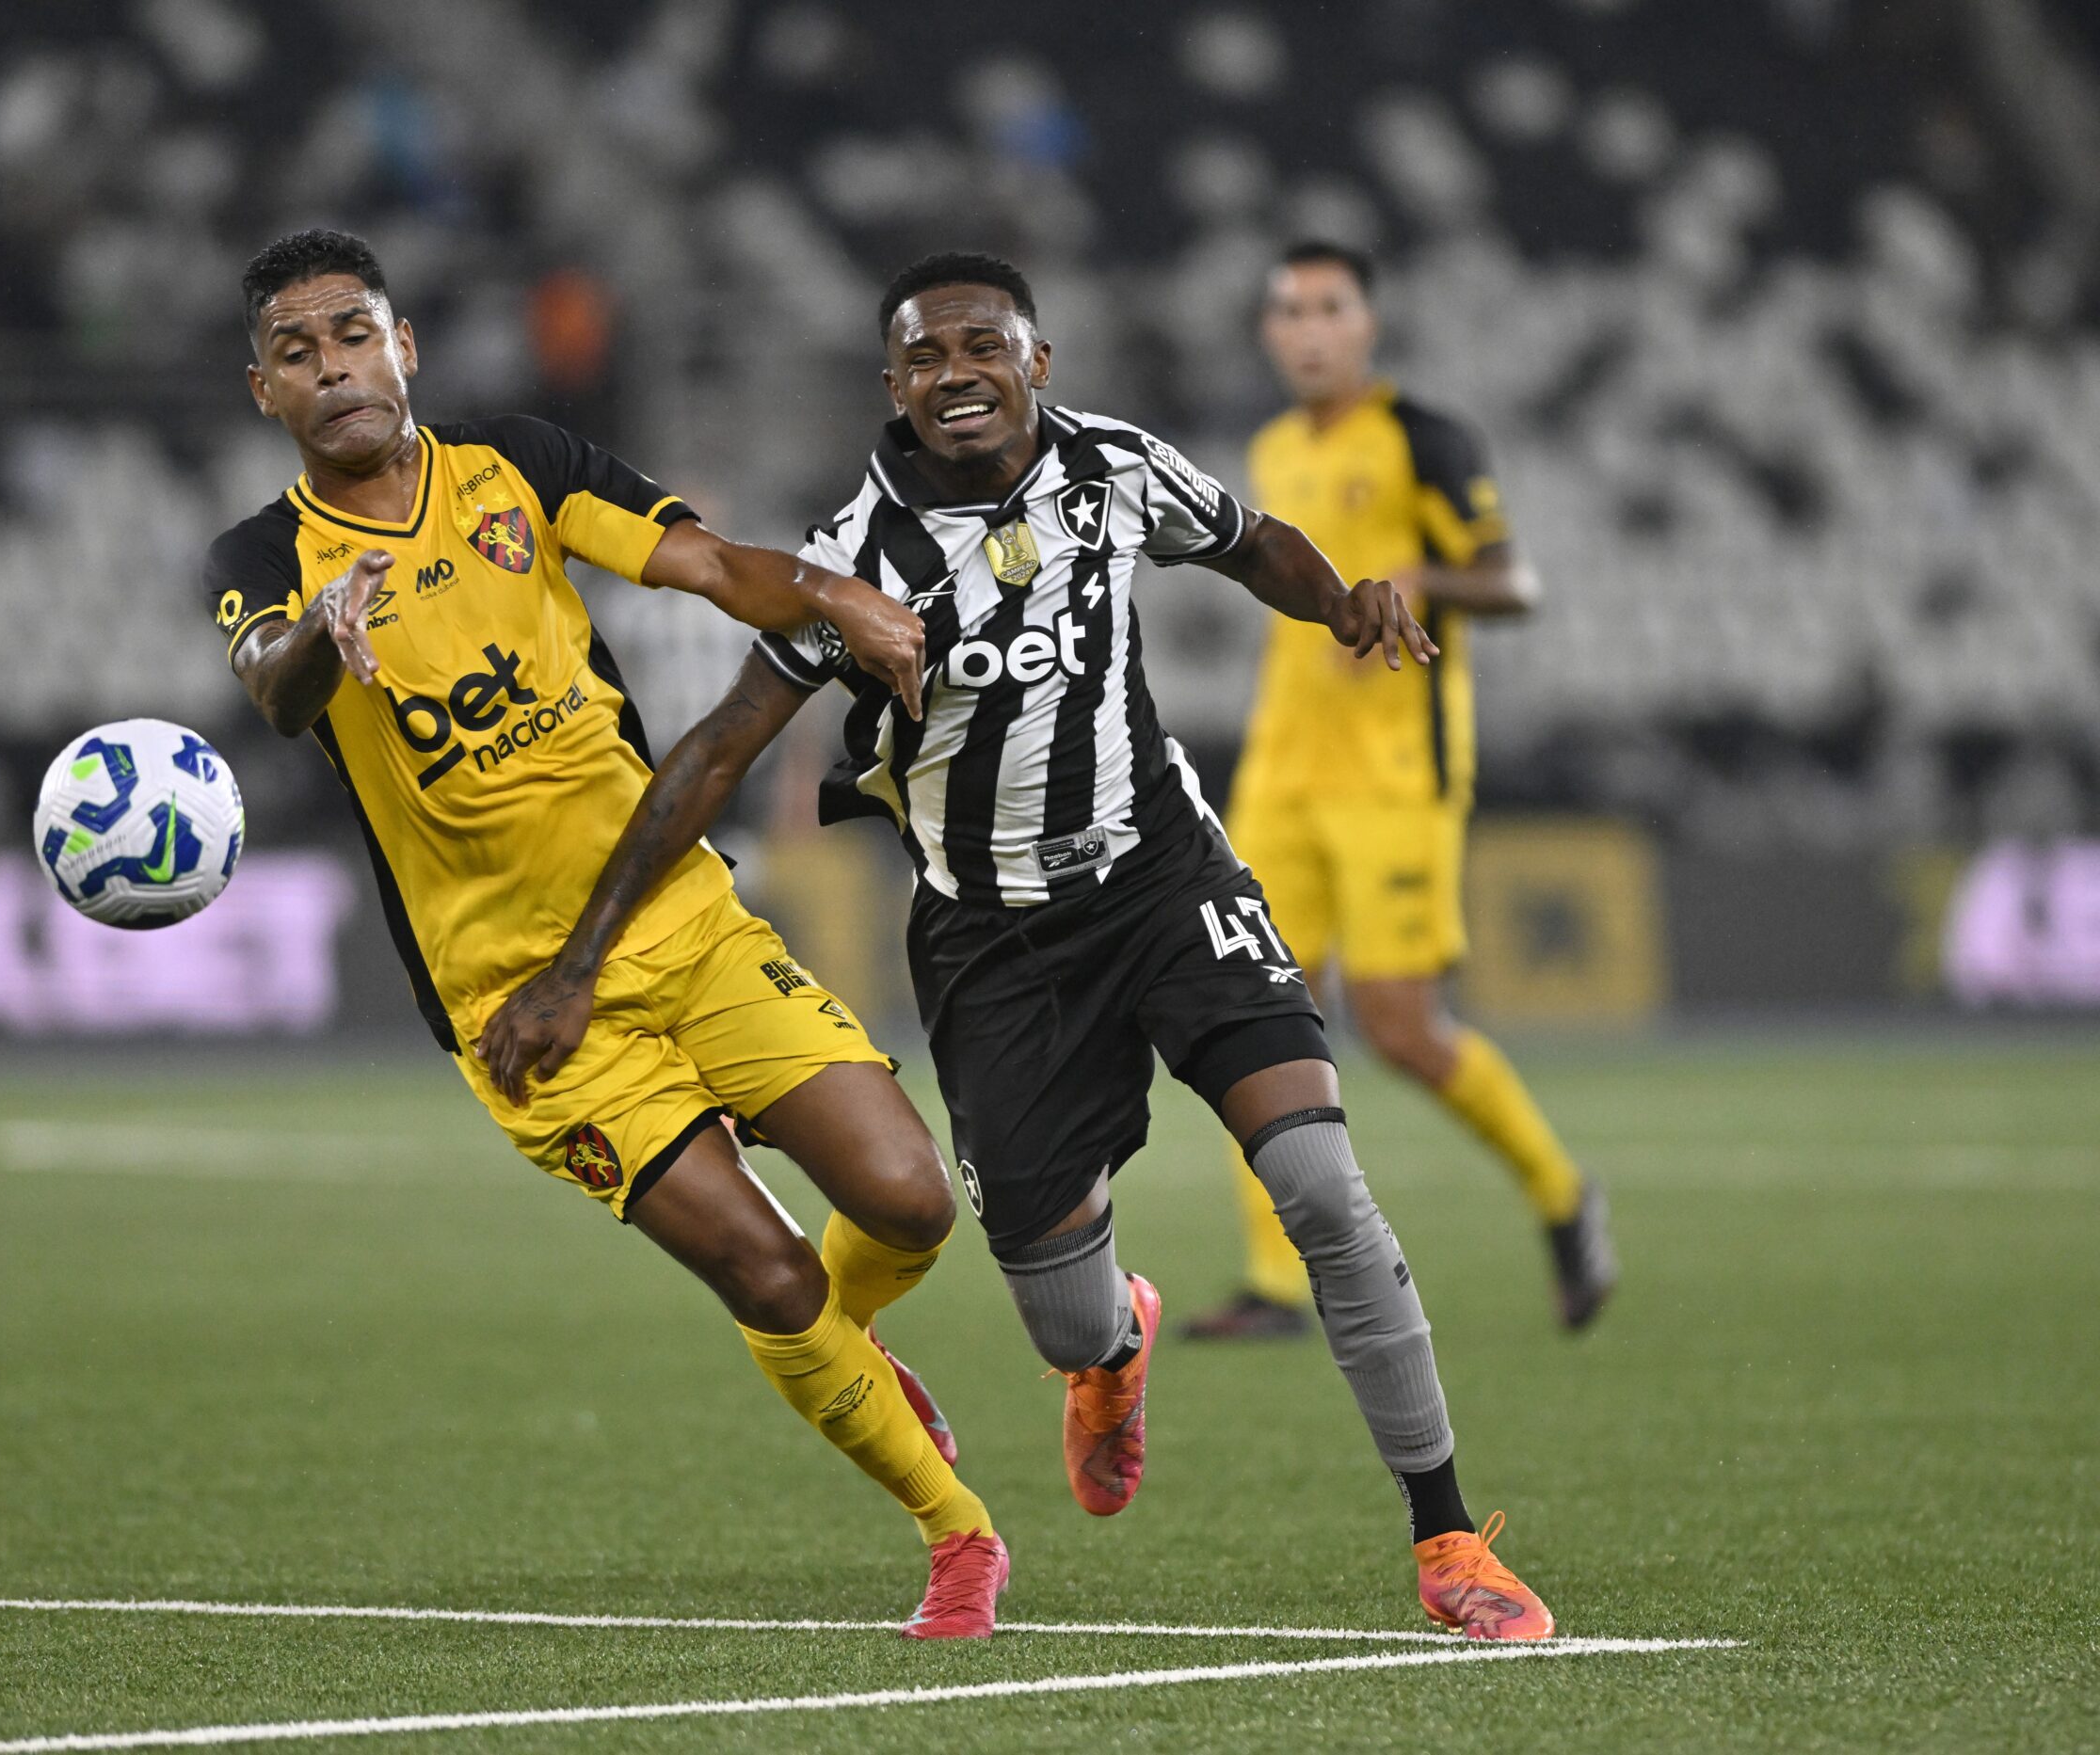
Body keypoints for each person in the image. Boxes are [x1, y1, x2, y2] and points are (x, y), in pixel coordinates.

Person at [484, 252, 1557, 1639]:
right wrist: (581, 960)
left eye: (982, 345)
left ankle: (1449, 1539)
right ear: (893, 388)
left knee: (1322, 1187)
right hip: (993, 944)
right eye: (924, 358)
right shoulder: (857, 559)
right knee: (1058, 1317)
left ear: (1036, 361)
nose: (956, 374)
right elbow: (714, 751)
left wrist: (1344, 598)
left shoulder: (1116, 469)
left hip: (1163, 873)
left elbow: (1248, 540)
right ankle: (1113, 1346)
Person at [203, 228, 1008, 1638]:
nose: (330, 369)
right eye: (294, 351)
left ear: (406, 348)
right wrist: (327, 630)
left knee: (910, 1201)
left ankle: (849, 1346)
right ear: (261, 388)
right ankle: (959, 1537)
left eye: (351, 334)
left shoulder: (512, 463)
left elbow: (702, 562)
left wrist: (835, 597)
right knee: (763, 1267)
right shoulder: (267, 555)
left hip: (675, 920)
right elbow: (273, 686)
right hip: (518, 998)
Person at [1183, 242, 1618, 1344]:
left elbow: (1515, 580)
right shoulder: (1272, 448)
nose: (1308, 328)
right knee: (1245, 1008)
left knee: (1400, 1030)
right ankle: (1275, 1283)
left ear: (1367, 322)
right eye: (1287, 310)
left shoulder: (1423, 437)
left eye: (1329, 307)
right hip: (1282, 770)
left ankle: (1563, 1194)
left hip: (1392, 779)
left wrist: (1427, 578)